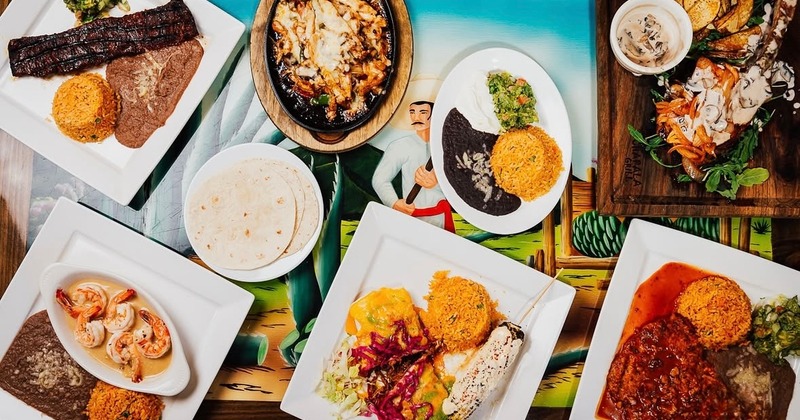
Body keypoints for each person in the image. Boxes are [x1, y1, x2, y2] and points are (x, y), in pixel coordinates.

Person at [372, 101, 454, 232]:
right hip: (411, 215)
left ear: (433, 114)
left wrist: (438, 181)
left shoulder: (448, 146)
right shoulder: (400, 146)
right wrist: (394, 202)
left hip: (440, 216)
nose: (416, 117)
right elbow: (380, 179)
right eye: (412, 112)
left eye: (423, 112)